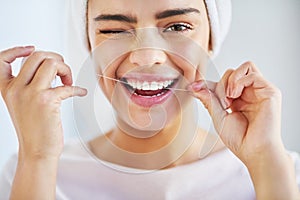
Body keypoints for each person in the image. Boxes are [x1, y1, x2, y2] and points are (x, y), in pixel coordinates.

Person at [0, 0, 299, 199]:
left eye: (178, 27)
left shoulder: (283, 172)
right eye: (114, 30)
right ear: (90, 43)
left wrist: (266, 163)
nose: (146, 56)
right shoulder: (28, 173)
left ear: (211, 40)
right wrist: (37, 158)